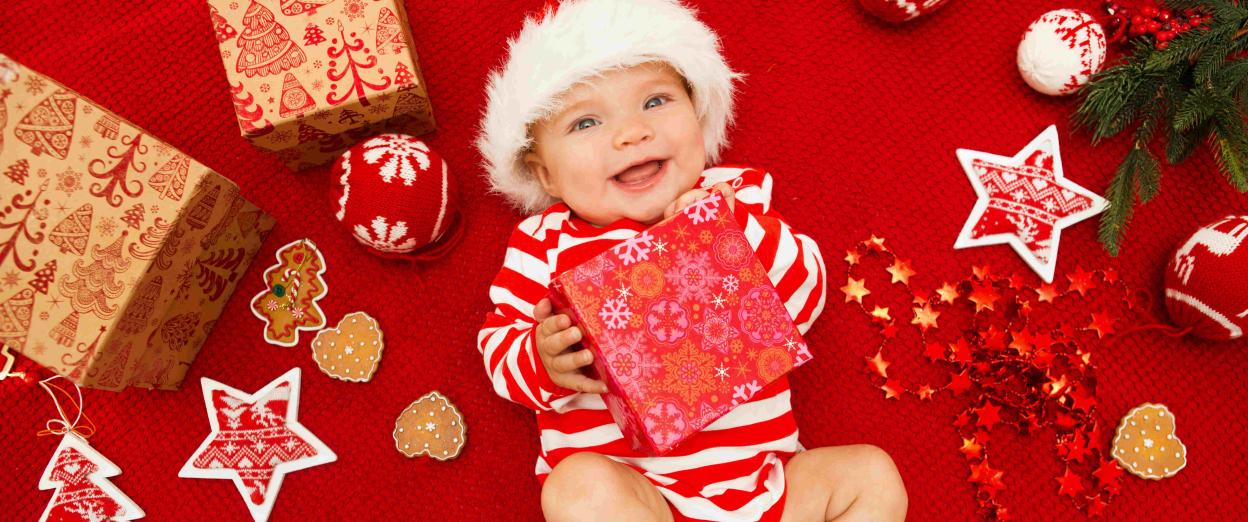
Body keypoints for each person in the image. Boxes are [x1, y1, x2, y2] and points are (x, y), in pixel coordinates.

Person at [475, 1, 907, 520]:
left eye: (656, 101)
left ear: (699, 116)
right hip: (637, 493)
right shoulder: (544, 243)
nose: (631, 133)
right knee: (576, 488)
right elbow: (499, 353)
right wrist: (542, 360)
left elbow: (807, 295)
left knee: (870, 476)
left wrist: (735, 233)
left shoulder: (735, 199)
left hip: (766, 490)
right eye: (586, 122)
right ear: (545, 176)